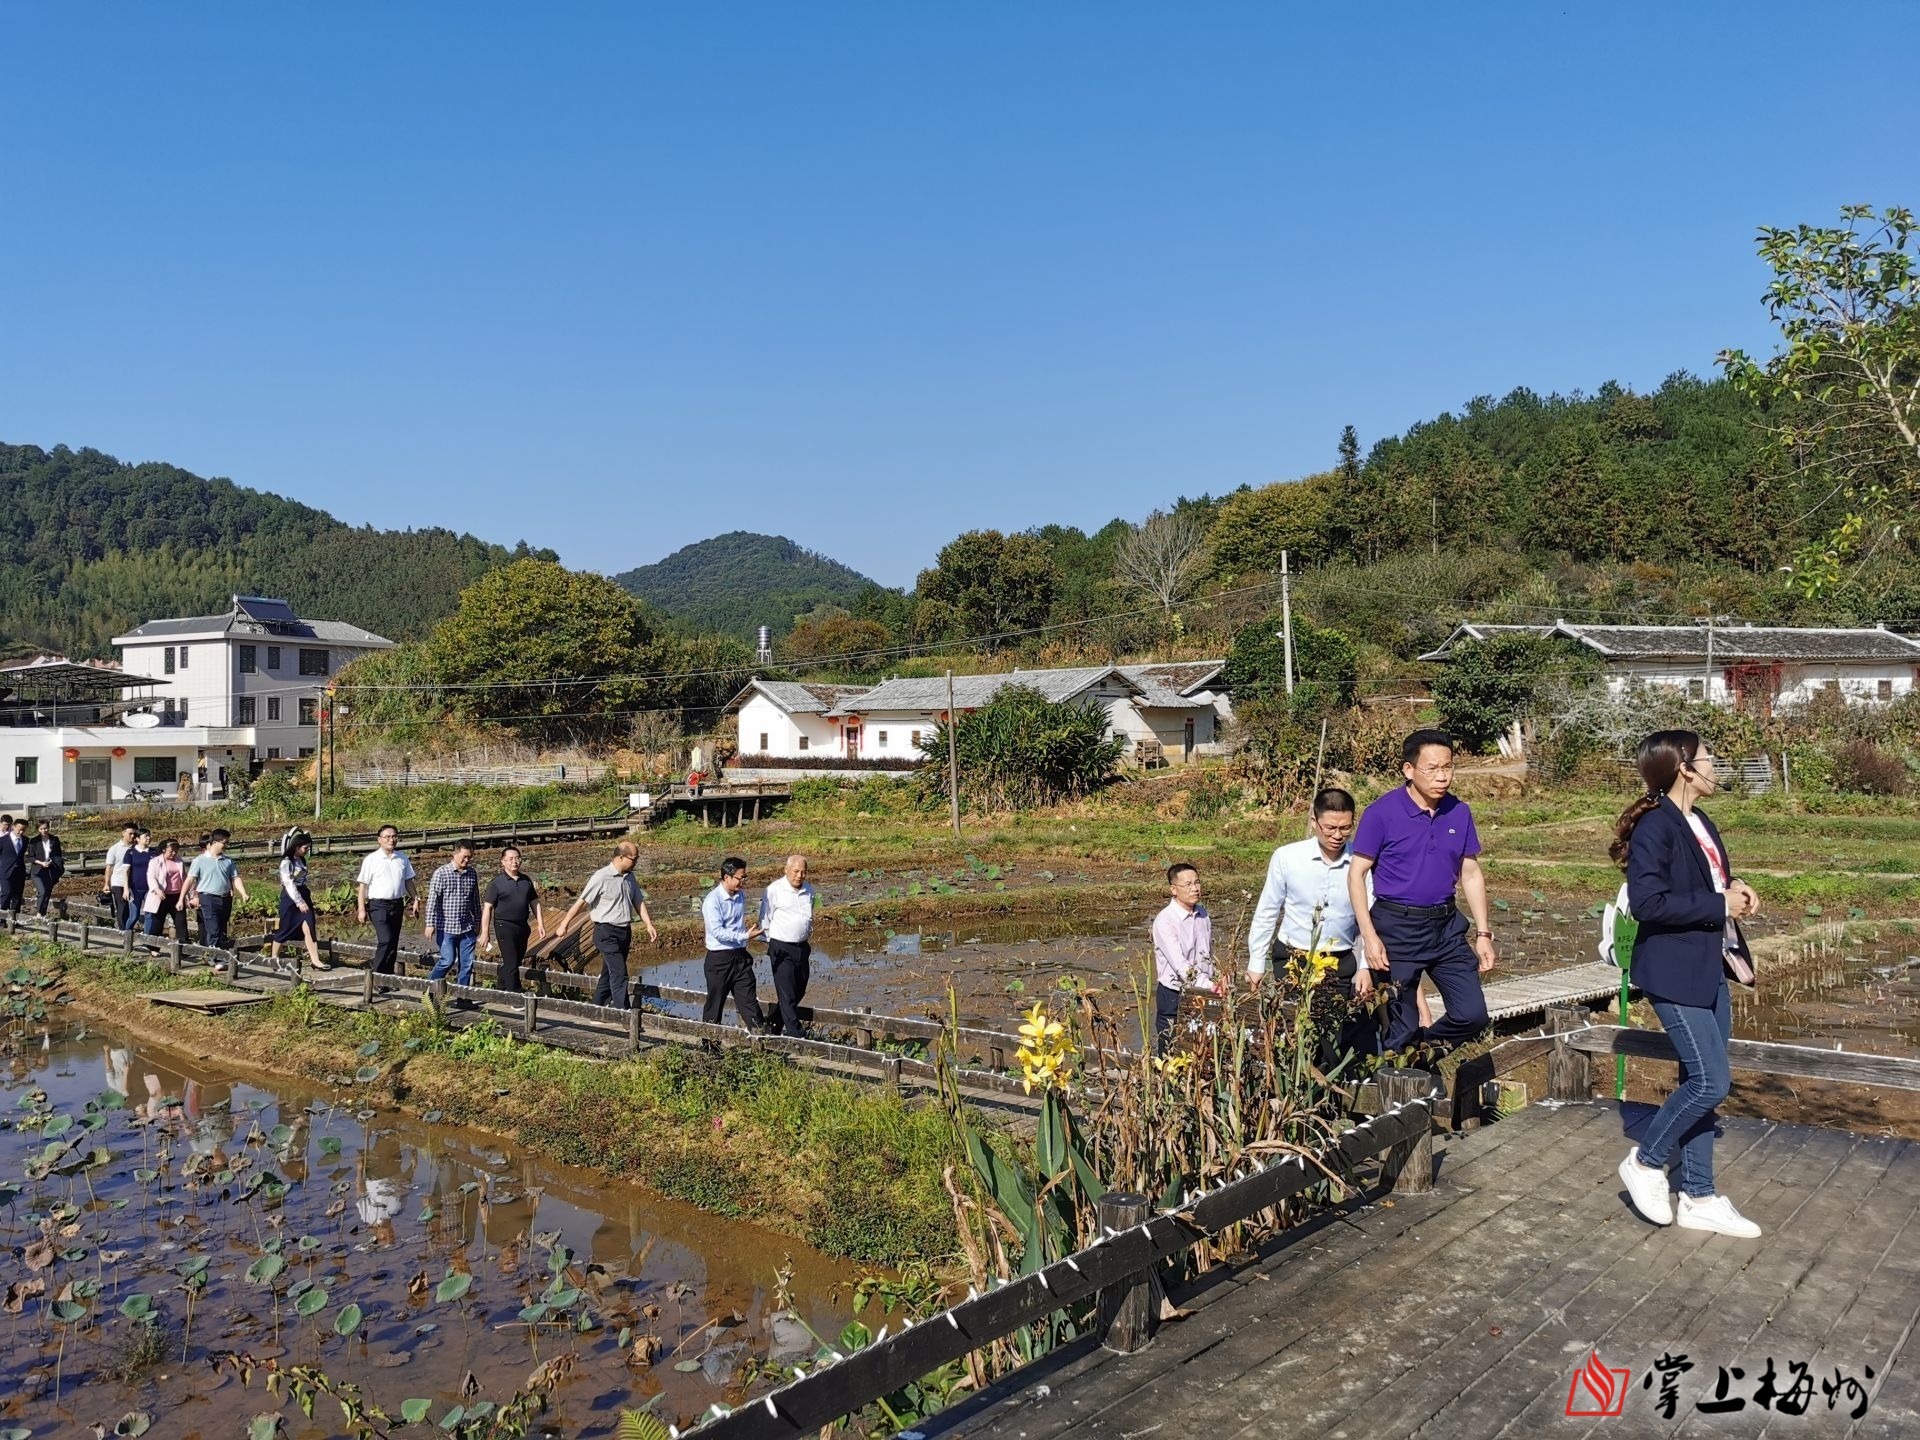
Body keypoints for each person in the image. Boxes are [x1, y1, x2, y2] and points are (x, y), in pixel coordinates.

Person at [1613, 730, 1764, 1239]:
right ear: (1684, 768)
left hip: (1710, 966)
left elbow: (1706, 880)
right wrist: (1719, 904)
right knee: (1710, 1081)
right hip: (1673, 972)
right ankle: (1647, 1161)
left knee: (1700, 1083)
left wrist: (1734, 887)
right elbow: (1649, 904)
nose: (1716, 765)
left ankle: (1698, 1195)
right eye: (1708, 758)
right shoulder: (1656, 828)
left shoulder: (1701, 821)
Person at [1349, 729, 1495, 1059]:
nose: (1442, 777)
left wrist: (1484, 934)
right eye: (1433, 768)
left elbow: (1469, 873)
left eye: (1448, 767)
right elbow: (1356, 875)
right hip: (1396, 930)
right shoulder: (1381, 813)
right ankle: (1402, 1087)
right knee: (1401, 1027)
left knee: (1472, 1015)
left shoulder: (1460, 812)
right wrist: (1369, 937)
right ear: (1409, 770)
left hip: (1445, 927)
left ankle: (1419, 1054)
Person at [1247, 787, 1383, 1064]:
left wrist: (1365, 967)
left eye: (1345, 828)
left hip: (1340, 961)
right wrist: (1256, 962)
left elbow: (1368, 918)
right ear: (1314, 822)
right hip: (1294, 959)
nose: (1337, 836)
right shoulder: (1287, 857)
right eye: (1330, 827)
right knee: (1298, 1033)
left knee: (1336, 1037)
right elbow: (1268, 910)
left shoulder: (1361, 863)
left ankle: (1332, 1095)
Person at [559, 841, 657, 1010]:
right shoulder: (600, 877)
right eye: (633, 859)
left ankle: (597, 1008)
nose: (636, 862)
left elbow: (638, 901)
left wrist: (648, 923)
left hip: (624, 931)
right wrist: (564, 923)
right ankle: (624, 1015)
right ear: (620, 857)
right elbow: (582, 902)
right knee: (619, 973)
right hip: (605, 932)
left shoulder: (630, 876)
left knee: (608, 972)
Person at [1152, 862, 1215, 1052]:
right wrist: (1211, 986)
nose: (1195, 888)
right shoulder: (1165, 921)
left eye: (1197, 882)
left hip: (1202, 991)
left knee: (1200, 1047)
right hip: (1174, 994)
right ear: (1173, 889)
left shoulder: (1203, 914)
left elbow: (1207, 955)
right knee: (1171, 1050)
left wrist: (1215, 979)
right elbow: (1181, 967)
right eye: (1188, 884)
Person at [701, 857, 765, 1030]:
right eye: (739, 878)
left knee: (749, 1001)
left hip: (740, 956)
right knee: (715, 1004)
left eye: (744, 877)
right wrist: (745, 936)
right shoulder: (712, 901)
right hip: (719, 959)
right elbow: (717, 932)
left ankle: (761, 1042)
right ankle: (711, 1046)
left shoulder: (740, 896)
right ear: (726, 877)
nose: (742, 882)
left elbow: (737, 925)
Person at [758, 854, 815, 1037]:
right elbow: (764, 918)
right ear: (786, 870)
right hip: (781, 947)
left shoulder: (809, 890)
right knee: (787, 993)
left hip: (802, 946)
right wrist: (772, 944)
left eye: (803, 872)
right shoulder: (774, 890)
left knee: (799, 989)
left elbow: (809, 915)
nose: (799, 876)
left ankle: (773, 1024)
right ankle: (797, 1034)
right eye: (796, 871)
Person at [355, 825, 417, 983]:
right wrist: (361, 909)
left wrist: (415, 898)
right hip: (378, 905)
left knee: (393, 942)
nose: (391, 839)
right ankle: (375, 978)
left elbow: (408, 881)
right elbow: (363, 886)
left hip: (397, 904)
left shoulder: (402, 858)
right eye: (387, 837)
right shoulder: (371, 859)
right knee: (385, 940)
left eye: (394, 836)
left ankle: (387, 979)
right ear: (379, 840)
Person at [479, 845, 545, 994]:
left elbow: (534, 902)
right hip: (504, 925)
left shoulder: (526, 880)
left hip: (522, 925)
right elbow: (488, 908)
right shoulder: (496, 883)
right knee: (511, 961)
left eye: (517, 858)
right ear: (503, 862)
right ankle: (514, 992)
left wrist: (540, 923)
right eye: (510, 859)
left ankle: (501, 987)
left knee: (516, 959)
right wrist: (484, 932)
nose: (514, 862)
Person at [424, 841, 482, 998]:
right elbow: (432, 901)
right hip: (446, 927)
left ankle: (463, 997)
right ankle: (430, 989)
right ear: (454, 854)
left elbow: (475, 901)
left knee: (467, 964)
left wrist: (478, 922)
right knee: (447, 960)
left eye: (470, 857)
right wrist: (430, 924)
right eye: (464, 857)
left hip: (466, 927)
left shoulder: (472, 873)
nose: (467, 861)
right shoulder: (441, 873)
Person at [182, 829, 248, 959]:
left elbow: (235, 878)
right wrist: (181, 898)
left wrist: (243, 893)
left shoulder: (228, 861)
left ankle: (216, 953)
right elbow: (190, 880)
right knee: (213, 929)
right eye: (225, 843)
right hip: (208, 897)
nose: (227, 846)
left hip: (225, 898)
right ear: (215, 842)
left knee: (222, 928)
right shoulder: (199, 860)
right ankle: (215, 957)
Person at [269, 832, 327, 974]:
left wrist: (304, 898)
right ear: (296, 846)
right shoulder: (286, 862)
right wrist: (299, 901)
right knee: (285, 927)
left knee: (309, 926)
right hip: (291, 898)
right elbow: (288, 883)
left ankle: (315, 959)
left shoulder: (301, 860)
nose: (307, 851)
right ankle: (274, 957)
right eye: (305, 848)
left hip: (303, 893)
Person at [141, 838, 190, 941]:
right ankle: (153, 947)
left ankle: (184, 946)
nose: (173, 853)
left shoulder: (179, 861)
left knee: (181, 921)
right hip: (162, 896)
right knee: (158, 922)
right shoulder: (155, 861)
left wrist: (188, 893)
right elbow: (151, 877)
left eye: (175, 851)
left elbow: (184, 877)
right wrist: (157, 889)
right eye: (171, 851)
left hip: (177, 895)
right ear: (164, 850)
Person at [103, 822, 137, 929]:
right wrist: (106, 884)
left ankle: (129, 928)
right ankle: (123, 931)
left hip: (134, 882)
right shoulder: (115, 849)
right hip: (118, 882)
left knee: (134, 908)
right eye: (130, 833)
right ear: (123, 833)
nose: (133, 836)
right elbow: (109, 867)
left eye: (134, 834)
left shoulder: (137, 848)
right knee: (122, 908)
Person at [122, 829, 156, 933]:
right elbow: (126, 871)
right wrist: (126, 889)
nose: (148, 838)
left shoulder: (154, 852)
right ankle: (126, 936)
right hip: (134, 888)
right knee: (134, 916)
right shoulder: (130, 853)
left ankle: (147, 939)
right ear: (137, 839)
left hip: (150, 889)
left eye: (149, 836)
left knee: (149, 914)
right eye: (146, 836)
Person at [28, 821, 64, 917]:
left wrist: (51, 861)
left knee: (47, 892)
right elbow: (31, 857)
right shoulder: (34, 841)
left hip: (50, 870)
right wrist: (41, 863)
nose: (44, 830)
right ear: (38, 829)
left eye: (46, 828)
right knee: (42, 891)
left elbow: (58, 855)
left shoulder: (54, 839)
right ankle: (39, 913)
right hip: (37, 870)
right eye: (41, 829)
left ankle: (42, 914)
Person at [0, 816, 25, 918]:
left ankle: (14, 919)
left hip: (19, 871)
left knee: (17, 896)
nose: (21, 832)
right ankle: (2, 919)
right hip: (5, 871)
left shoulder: (26, 840)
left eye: (24, 830)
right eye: (19, 829)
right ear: (14, 827)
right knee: (6, 893)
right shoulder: (3, 840)